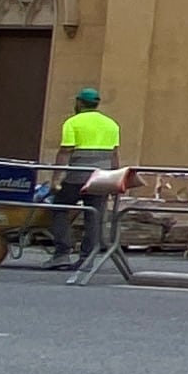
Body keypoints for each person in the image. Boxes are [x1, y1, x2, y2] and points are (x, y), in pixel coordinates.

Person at [52, 85, 123, 261]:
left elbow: (65, 152)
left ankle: (62, 252)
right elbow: (114, 155)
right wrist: (116, 180)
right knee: (94, 216)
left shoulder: (73, 122)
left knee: (59, 208)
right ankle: (87, 257)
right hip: (100, 179)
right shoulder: (111, 124)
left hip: (77, 177)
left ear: (79, 102)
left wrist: (56, 180)